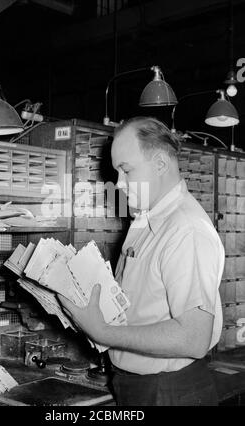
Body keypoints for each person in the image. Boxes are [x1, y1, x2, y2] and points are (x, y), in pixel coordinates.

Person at [58, 116, 225, 406]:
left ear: (160, 164)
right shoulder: (146, 218)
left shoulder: (185, 228)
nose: (119, 184)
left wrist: (102, 331)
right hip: (138, 386)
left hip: (169, 391)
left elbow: (194, 338)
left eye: (126, 170)